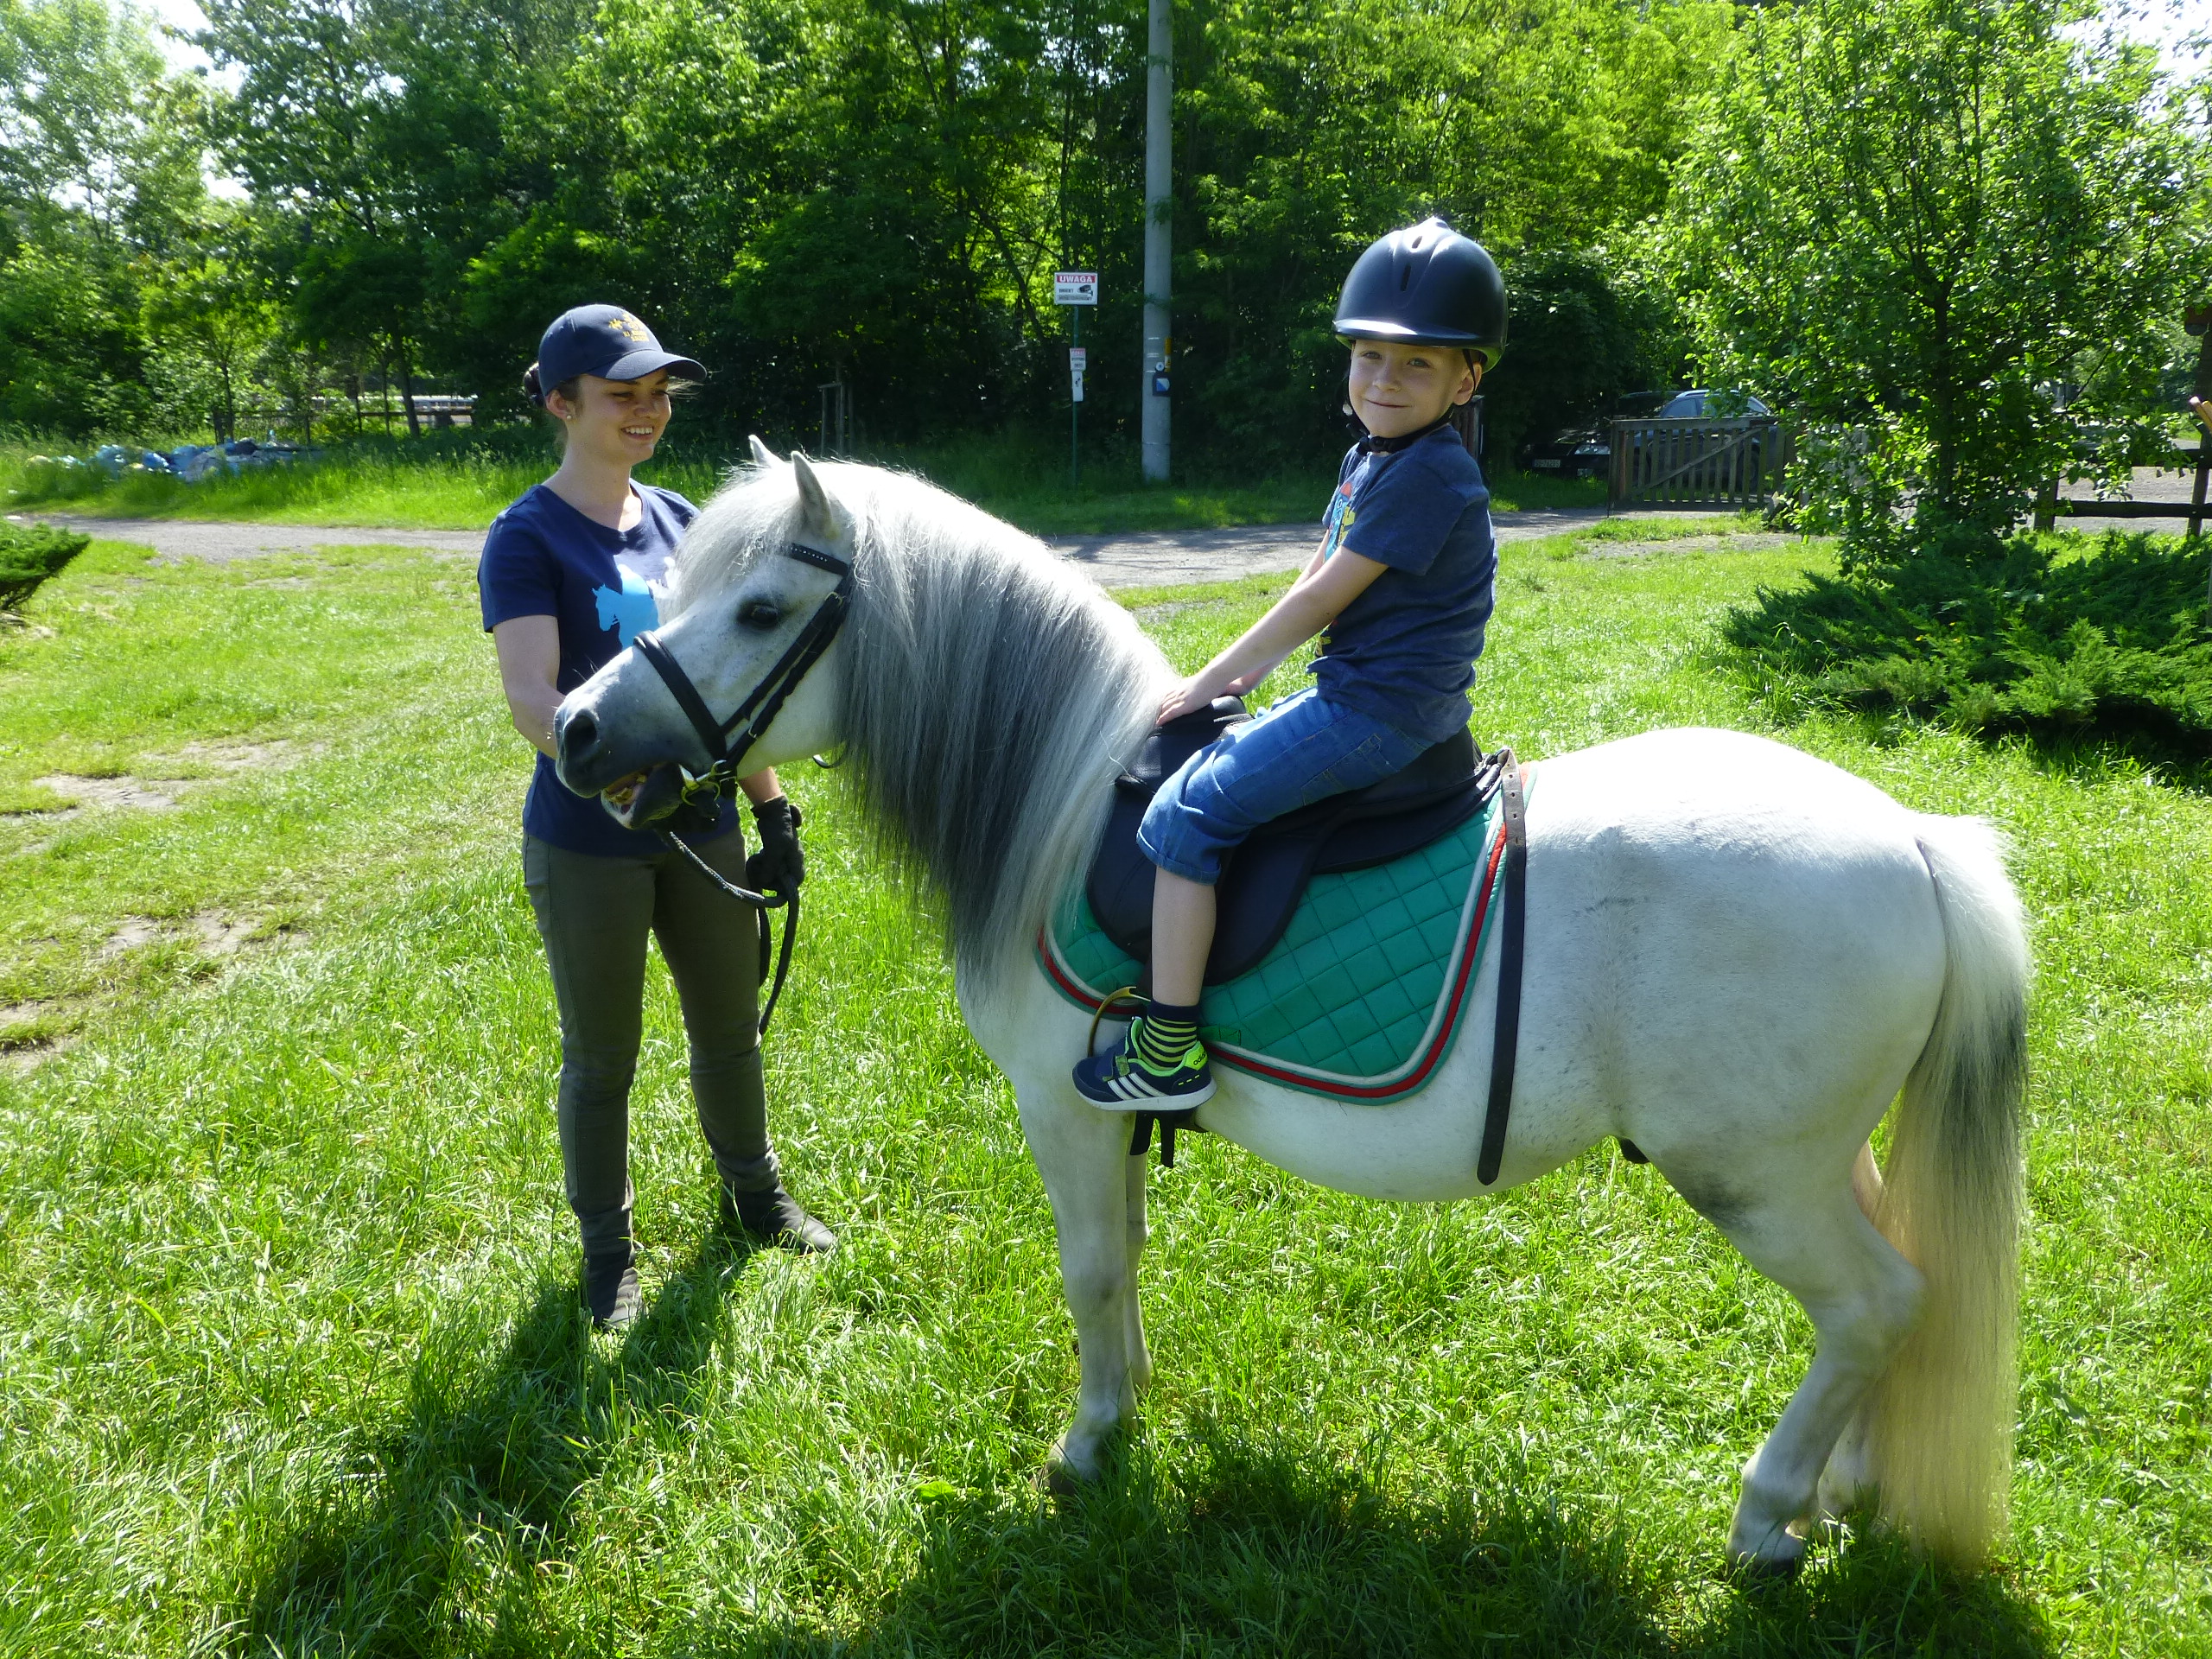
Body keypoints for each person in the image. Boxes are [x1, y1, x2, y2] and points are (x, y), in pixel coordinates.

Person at [1074, 219, 1505, 1109]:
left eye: (1417, 363)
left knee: (1185, 815)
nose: (1384, 380)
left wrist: (1213, 681)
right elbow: (1315, 574)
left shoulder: (1429, 473)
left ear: (1465, 380)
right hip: (1359, 690)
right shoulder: (1371, 459)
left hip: (1378, 711)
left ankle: (1168, 1051)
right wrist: (1244, 674)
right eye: (1368, 357)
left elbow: (1319, 603)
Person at [479, 303, 836, 1330]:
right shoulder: (527, 535)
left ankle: (757, 1199)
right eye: (620, 395)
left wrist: (773, 815)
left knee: (730, 1030)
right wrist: (632, 788)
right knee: (603, 1058)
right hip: (590, 840)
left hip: (706, 827)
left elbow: (733, 688)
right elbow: (533, 701)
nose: (647, 411)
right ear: (561, 403)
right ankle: (608, 1252)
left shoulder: (681, 520)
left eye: (658, 393)